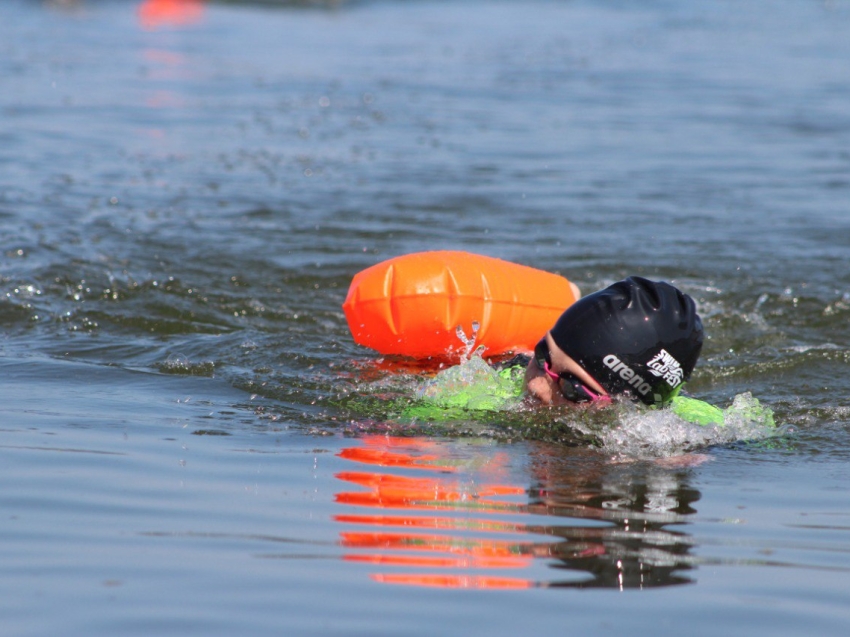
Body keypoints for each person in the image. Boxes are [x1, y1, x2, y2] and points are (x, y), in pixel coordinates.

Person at [523, 277, 704, 408]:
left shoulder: (701, 436)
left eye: (572, 389)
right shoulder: (503, 379)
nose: (535, 387)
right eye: (541, 355)